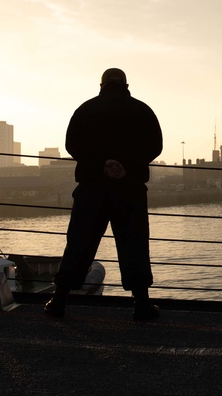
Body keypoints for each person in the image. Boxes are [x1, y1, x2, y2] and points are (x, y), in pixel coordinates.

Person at [44, 68, 163, 321]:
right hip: (129, 188)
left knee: (79, 243)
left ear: (101, 85)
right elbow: (155, 145)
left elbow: (72, 144)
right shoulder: (142, 110)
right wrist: (125, 167)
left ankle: (59, 299)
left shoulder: (85, 109)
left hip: (92, 187)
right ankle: (141, 304)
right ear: (126, 84)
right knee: (134, 245)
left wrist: (102, 164)